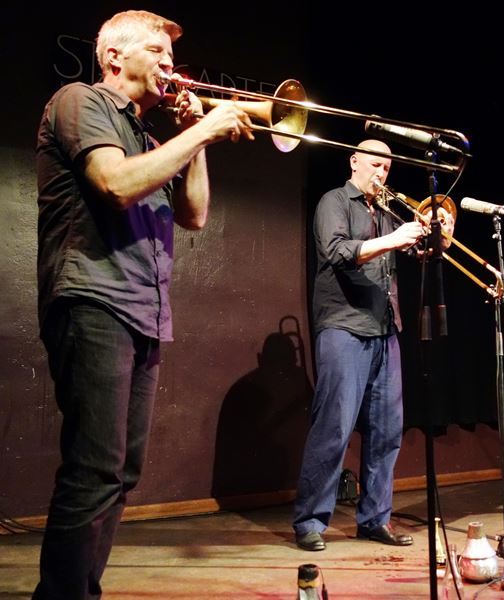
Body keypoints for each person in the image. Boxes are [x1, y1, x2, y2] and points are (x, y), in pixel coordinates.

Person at [34, 10, 253, 598]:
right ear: (113, 57)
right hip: (93, 297)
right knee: (94, 468)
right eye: (156, 51)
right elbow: (115, 184)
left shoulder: (151, 138)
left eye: (170, 54)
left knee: (120, 474)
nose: (169, 63)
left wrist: (196, 136)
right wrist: (201, 133)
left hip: (143, 309)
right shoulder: (79, 100)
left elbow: (195, 215)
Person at [293, 139, 450, 551]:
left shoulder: (386, 212)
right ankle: (310, 520)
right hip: (344, 326)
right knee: (335, 427)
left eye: (387, 168)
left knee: (386, 432)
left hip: (385, 328)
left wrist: (435, 235)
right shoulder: (334, 201)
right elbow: (337, 251)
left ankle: (374, 519)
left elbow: (418, 252)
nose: (381, 173)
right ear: (354, 161)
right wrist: (393, 238)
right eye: (375, 165)